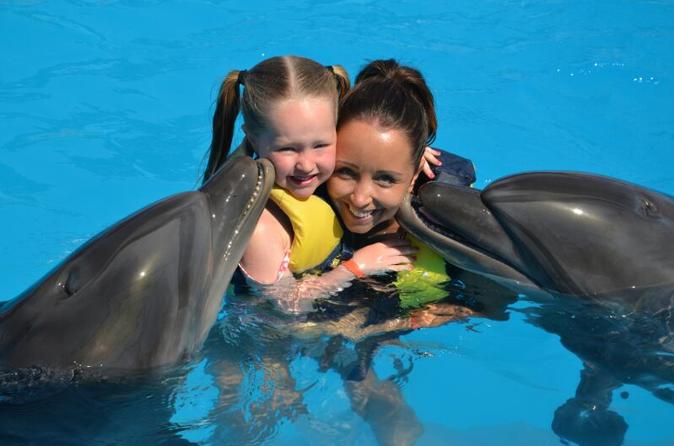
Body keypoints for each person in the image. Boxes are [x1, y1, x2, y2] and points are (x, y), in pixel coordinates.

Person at [202, 55, 418, 313]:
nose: (306, 165)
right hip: (263, 342)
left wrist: (407, 160)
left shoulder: (314, 182)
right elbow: (288, 308)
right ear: (252, 138)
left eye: (321, 145)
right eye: (287, 148)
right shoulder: (261, 228)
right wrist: (355, 268)